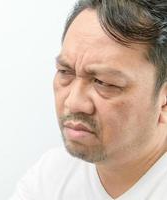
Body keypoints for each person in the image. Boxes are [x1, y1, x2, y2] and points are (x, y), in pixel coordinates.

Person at [10, 0, 167, 199]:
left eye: (104, 83)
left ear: (164, 101)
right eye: (65, 72)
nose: (73, 102)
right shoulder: (48, 178)